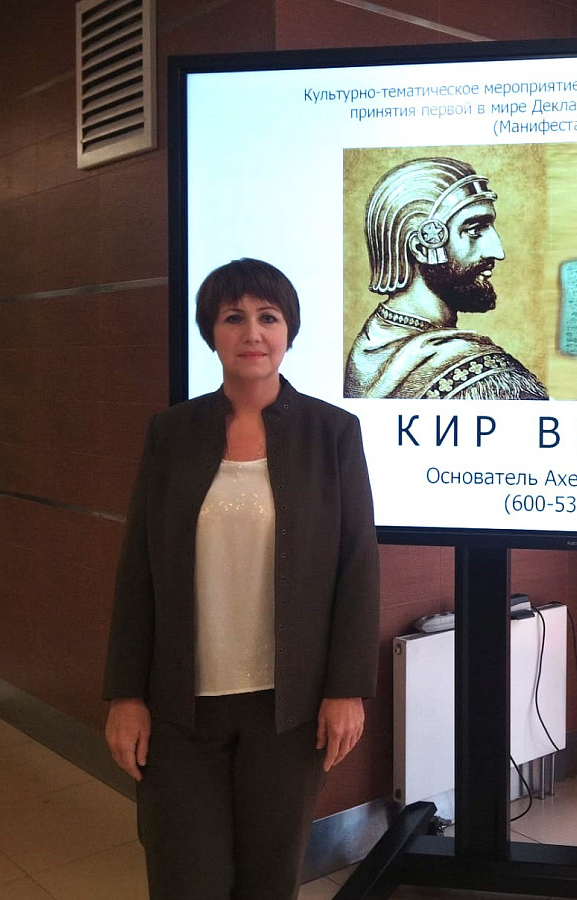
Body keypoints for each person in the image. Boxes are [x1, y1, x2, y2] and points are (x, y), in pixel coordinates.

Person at [103, 258, 381, 900]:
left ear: (288, 331)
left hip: (289, 710)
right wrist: (125, 694)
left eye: (268, 317)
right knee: (185, 877)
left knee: (269, 879)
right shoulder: (171, 433)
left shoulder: (332, 433)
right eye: (234, 318)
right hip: (179, 706)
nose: (252, 332)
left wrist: (347, 688)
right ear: (212, 332)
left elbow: (357, 567)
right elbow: (138, 569)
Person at [344, 156, 548, 399]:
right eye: (474, 230)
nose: (497, 251)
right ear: (422, 248)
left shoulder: (371, 344)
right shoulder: (486, 376)